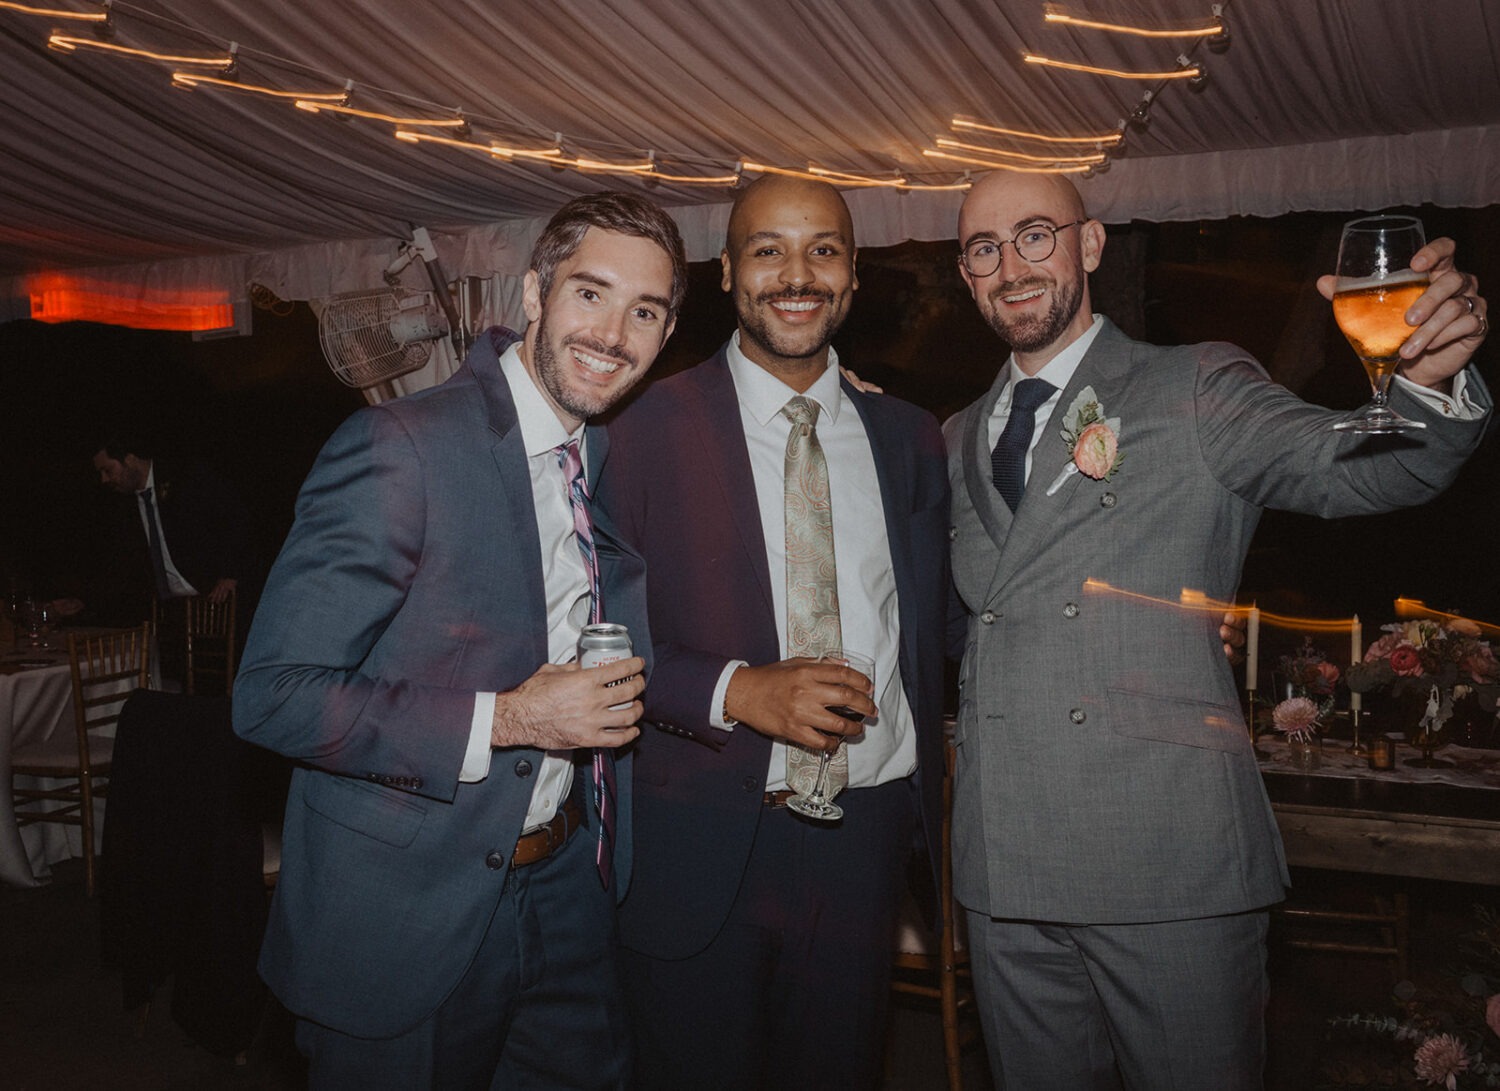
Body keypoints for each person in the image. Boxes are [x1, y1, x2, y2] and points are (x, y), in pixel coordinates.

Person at [944, 171, 1492, 1089]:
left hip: (1166, 866)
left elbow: (1351, 469)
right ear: (966, 276)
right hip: (1005, 875)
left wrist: (1428, 389)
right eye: (983, 249)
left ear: (1089, 244)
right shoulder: (958, 433)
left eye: (1036, 235)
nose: (1011, 265)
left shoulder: (1193, 384)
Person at [232, 192, 686, 1089]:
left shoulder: (598, 454)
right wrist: (510, 718)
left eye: (645, 311)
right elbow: (272, 694)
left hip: (567, 892)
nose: (612, 332)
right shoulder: (401, 446)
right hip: (404, 917)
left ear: (666, 336)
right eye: (590, 294)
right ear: (533, 293)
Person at [596, 175, 951, 1089]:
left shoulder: (910, 437)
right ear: (727, 272)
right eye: (768, 250)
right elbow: (582, 629)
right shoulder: (637, 428)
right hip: (699, 832)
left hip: (863, 843)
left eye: (823, 250)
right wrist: (735, 689)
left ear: (855, 275)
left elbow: (938, 620)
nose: (797, 274)